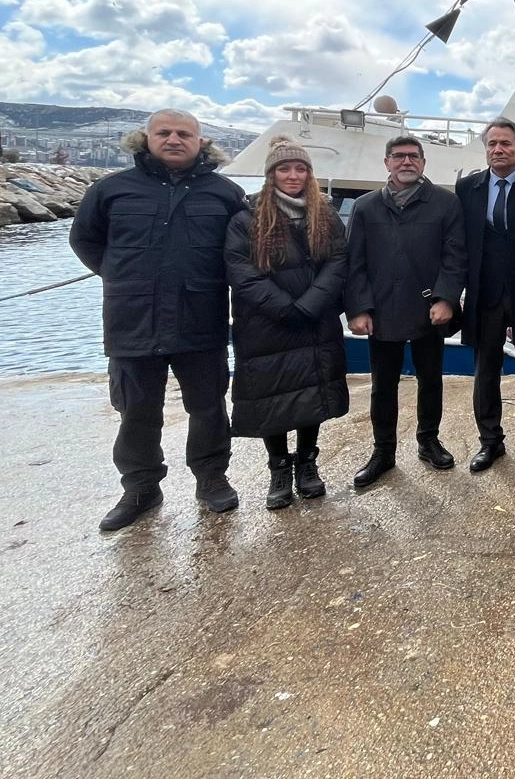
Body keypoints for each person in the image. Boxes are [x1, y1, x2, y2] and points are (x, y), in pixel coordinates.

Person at [70, 109, 246, 532]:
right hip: (133, 320)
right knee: (136, 411)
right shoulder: (111, 190)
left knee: (208, 406)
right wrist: (124, 278)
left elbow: (240, 252)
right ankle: (140, 487)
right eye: (163, 132)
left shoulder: (224, 193)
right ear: (145, 138)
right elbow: (85, 241)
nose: (173, 139)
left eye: (184, 133)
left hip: (199, 317)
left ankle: (211, 477)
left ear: (200, 142)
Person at [223, 136, 349, 508]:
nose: (293, 175)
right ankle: (279, 467)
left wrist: (309, 305)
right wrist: (283, 308)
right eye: (284, 168)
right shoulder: (246, 219)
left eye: (300, 169)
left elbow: (338, 261)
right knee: (272, 396)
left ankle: (307, 463)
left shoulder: (325, 216)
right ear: (271, 174)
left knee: (312, 391)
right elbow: (241, 270)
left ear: (309, 174)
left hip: (314, 319)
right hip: (266, 323)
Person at [344, 135, 468, 489]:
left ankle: (429, 441)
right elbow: (354, 263)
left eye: (414, 156)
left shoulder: (445, 203)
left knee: (431, 380)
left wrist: (446, 299)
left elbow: (455, 256)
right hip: (382, 310)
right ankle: (383, 452)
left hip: (428, 309)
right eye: (398, 156)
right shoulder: (365, 207)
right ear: (387, 162)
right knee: (383, 385)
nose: (406, 162)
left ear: (423, 163)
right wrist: (358, 308)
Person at [455, 117, 515, 473]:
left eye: (506, 143)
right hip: (485, 293)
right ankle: (490, 441)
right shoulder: (467, 188)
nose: (498, 149)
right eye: (492, 143)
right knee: (485, 371)